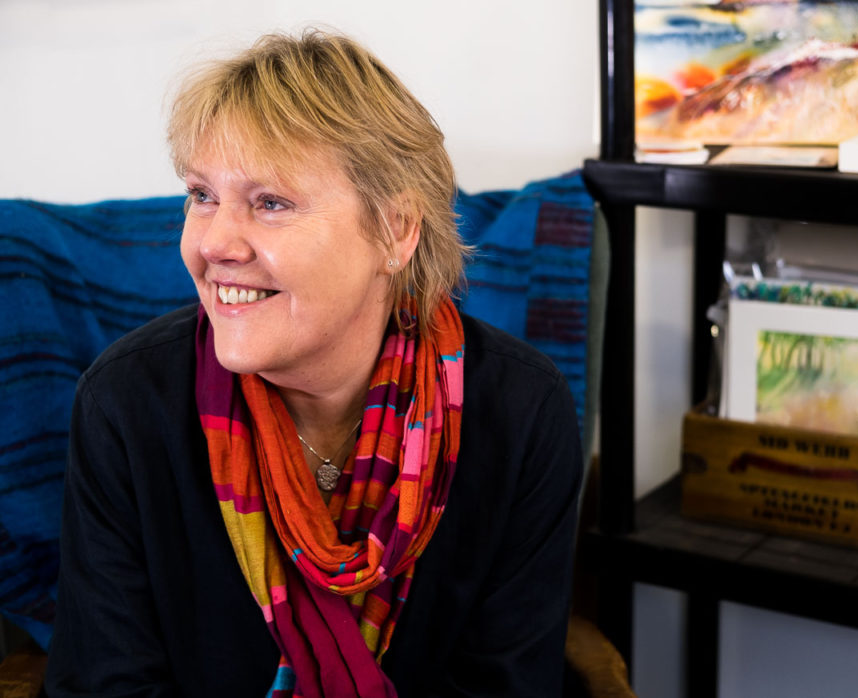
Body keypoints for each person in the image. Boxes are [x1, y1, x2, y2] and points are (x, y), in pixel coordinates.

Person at [45, 29, 582, 697]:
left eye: (270, 203)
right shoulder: (127, 404)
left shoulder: (521, 410)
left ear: (396, 232)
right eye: (202, 195)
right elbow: (105, 686)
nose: (212, 243)